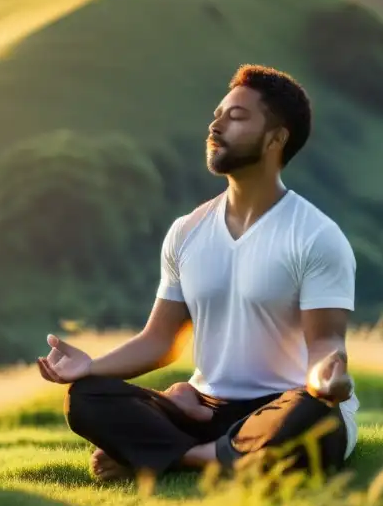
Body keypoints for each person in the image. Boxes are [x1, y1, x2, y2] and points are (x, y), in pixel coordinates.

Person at [37, 64, 359, 483]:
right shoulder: (187, 231)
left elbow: (327, 342)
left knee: (315, 417)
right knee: (87, 398)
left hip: (282, 408)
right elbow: (160, 341)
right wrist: (91, 367)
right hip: (207, 411)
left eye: (237, 116)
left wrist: (324, 381)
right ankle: (219, 455)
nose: (216, 123)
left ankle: (172, 457)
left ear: (276, 139)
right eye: (218, 113)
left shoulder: (316, 235)